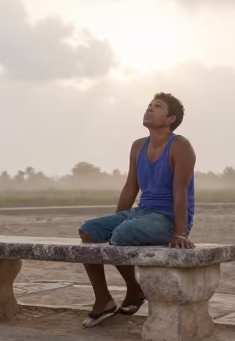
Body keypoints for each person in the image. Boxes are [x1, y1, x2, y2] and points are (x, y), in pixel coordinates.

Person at [77, 92, 196, 328]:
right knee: (89, 231)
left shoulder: (180, 145)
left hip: (168, 218)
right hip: (141, 213)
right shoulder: (138, 146)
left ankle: (133, 291)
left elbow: (180, 191)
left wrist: (181, 233)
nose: (149, 108)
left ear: (171, 118)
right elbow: (131, 187)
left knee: (122, 235)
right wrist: (116, 218)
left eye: (157, 106)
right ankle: (106, 299)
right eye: (149, 105)